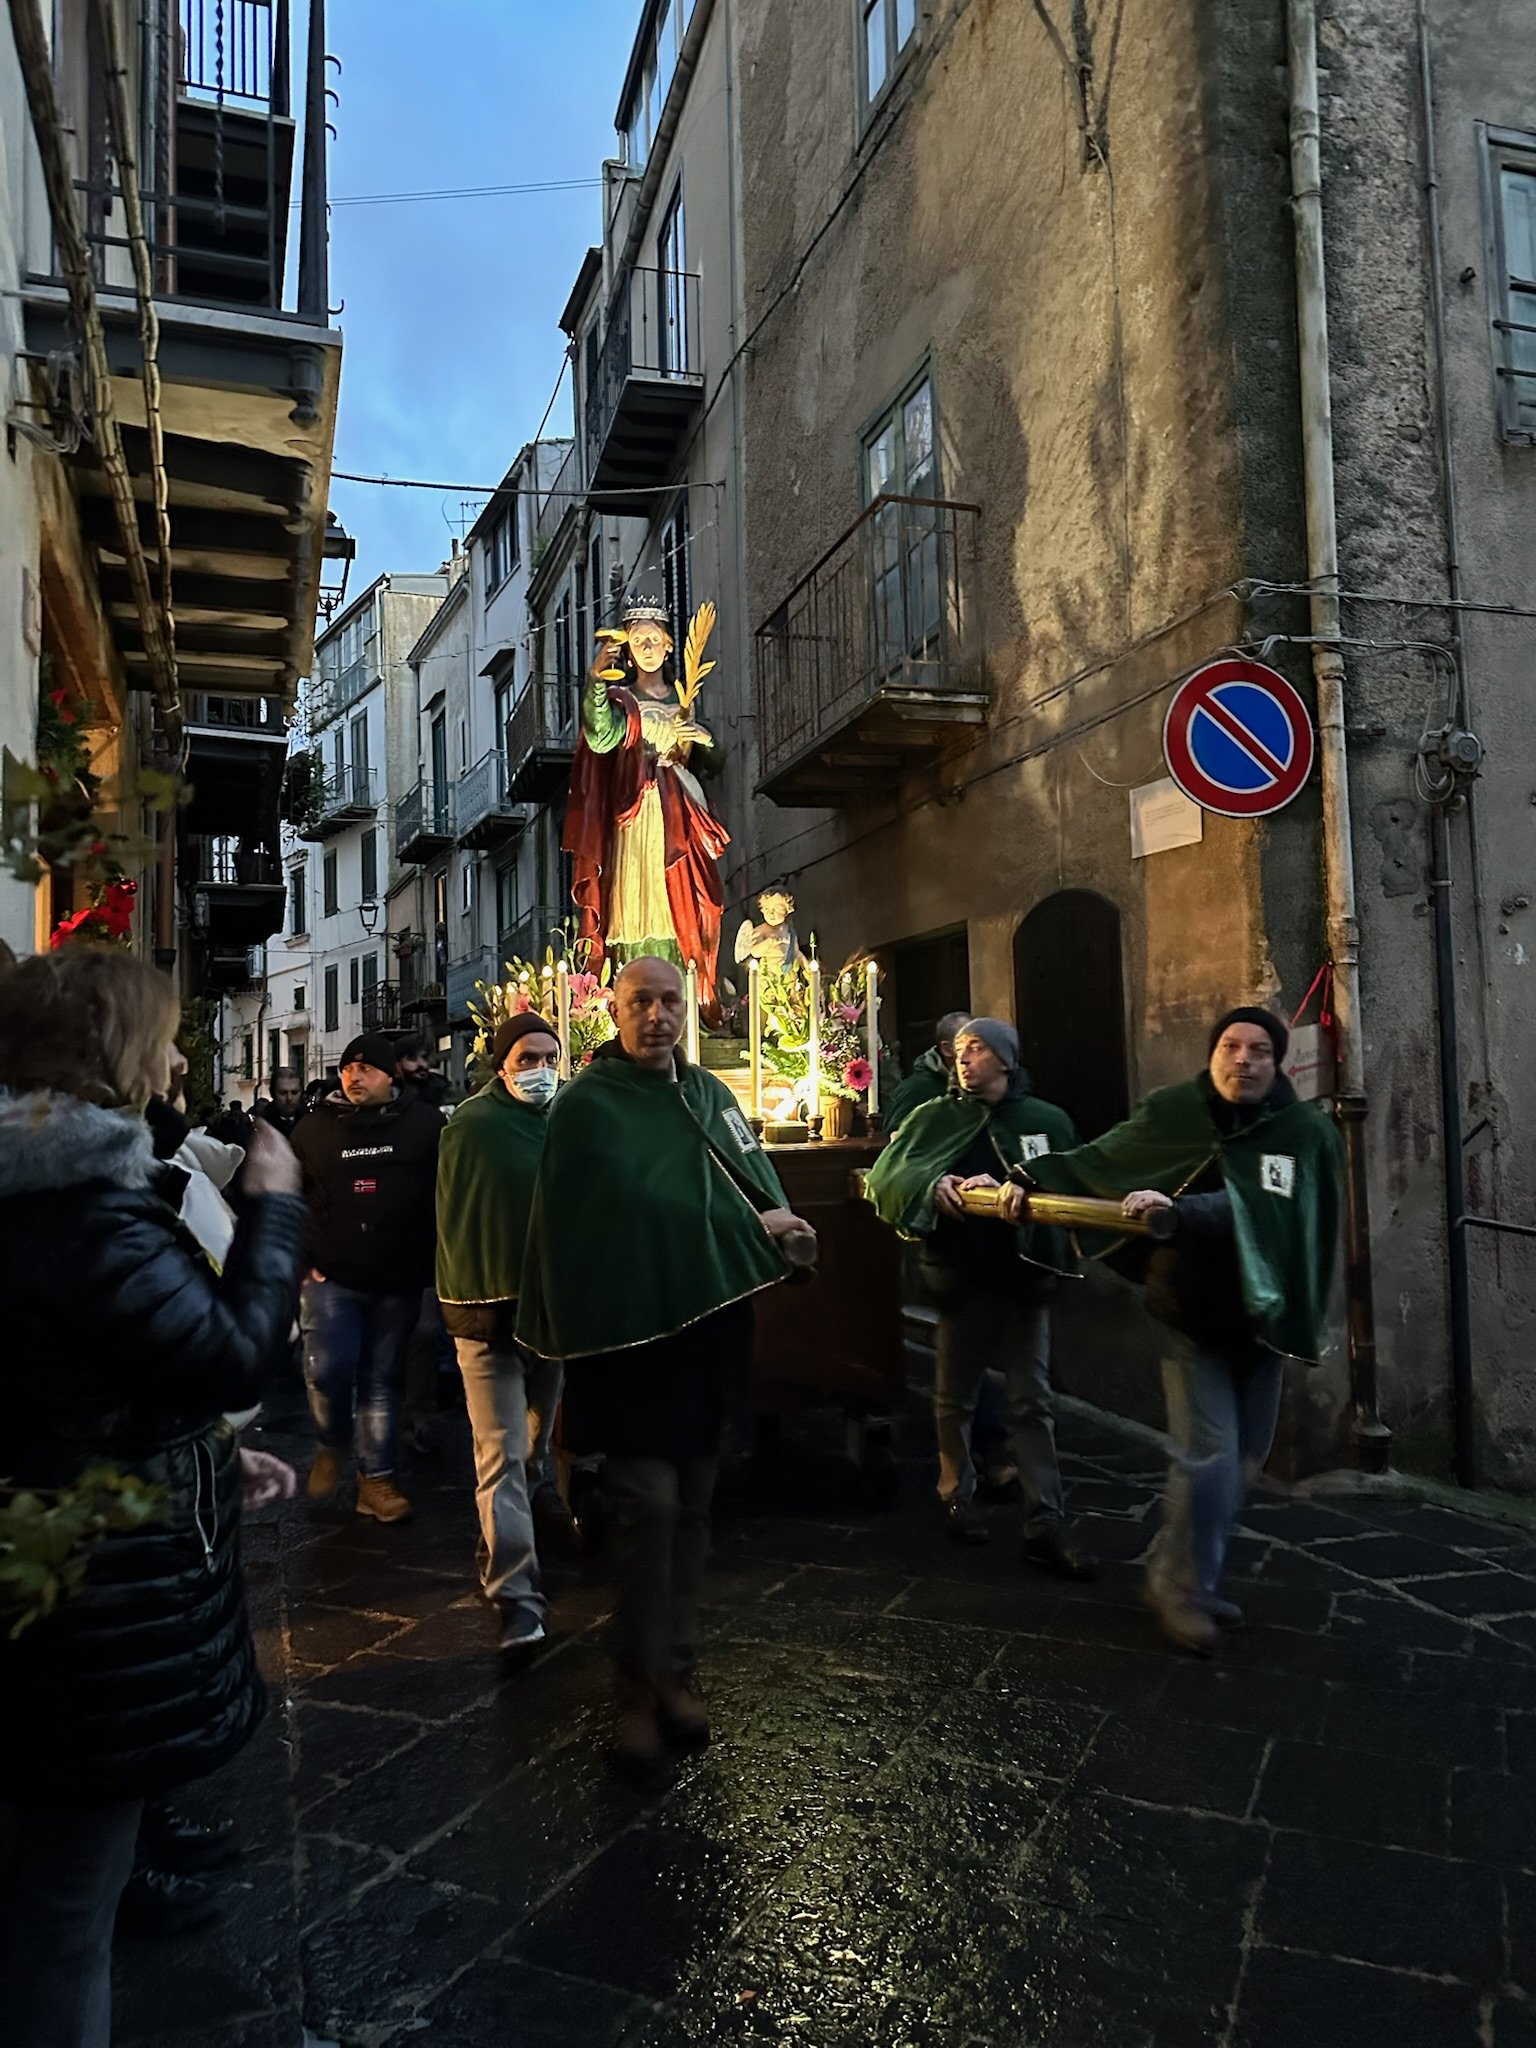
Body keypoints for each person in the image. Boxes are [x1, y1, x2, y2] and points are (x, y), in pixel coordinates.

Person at [0, 947, 304, 2046]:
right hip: (90, 1613)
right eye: (166, 1035)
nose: (179, 1056)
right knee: (67, 1910)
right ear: (113, 1050)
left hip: (67, 1578)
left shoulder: (51, 1188)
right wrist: (274, 1209)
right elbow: (227, 1355)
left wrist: (211, 1461)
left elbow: (92, 1388)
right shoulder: (84, 1205)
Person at [518, 956, 815, 1777]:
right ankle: (635, 1688)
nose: (657, 1014)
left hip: (710, 1332)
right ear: (614, 1011)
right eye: (641, 1001)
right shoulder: (585, 1108)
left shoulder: (712, 1096)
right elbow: (579, 1225)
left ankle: (680, 1666)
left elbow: (750, 1181)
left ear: (687, 1009)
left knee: (695, 1506)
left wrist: (775, 1218)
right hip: (631, 1336)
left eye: (670, 1000)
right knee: (647, 1508)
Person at [1014, 1006, 1343, 1654]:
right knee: (1211, 1458)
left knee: (1245, 1460)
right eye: (1229, 1046)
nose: (1242, 1060)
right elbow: (1104, 1159)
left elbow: (1277, 1209)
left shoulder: (1301, 1131)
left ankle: (1181, 1569)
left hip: (1263, 1322)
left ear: (1276, 1063)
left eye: (1258, 1050)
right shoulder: (1176, 1112)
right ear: (1213, 1053)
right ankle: (1182, 1590)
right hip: (1192, 1315)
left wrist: (1182, 1208)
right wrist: (1025, 1179)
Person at [866, 1018, 1092, 1578]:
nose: (964, 1059)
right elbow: (889, 1175)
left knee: (1031, 1401)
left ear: (1006, 1061)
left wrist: (1030, 1186)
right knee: (955, 1397)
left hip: (1023, 1280)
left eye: (978, 1049)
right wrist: (930, 1184)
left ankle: (1045, 1517)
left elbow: (1075, 1177)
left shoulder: (1046, 1121)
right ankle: (955, 1493)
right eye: (960, 1051)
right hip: (962, 1277)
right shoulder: (933, 1118)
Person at [435, 1011, 568, 1668]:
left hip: (552, 1316)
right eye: (527, 1058)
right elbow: (460, 1221)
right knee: (502, 1453)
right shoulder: (471, 1128)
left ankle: (503, 1541)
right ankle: (516, 1594)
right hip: (487, 1319)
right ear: (501, 1063)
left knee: (533, 1445)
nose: (540, 1070)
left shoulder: (567, 1120)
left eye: (550, 1057)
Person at [291, 1031, 443, 1525]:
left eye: (367, 1069)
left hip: (397, 1276)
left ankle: (375, 1478)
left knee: (381, 1379)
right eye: (348, 1068)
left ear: (389, 1075)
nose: (355, 1076)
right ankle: (332, 1442)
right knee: (328, 1370)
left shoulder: (424, 1127)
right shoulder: (313, 1130)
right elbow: (289, 1197)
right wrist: (298, 1258)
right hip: (331, 1275)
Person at [564, 592, 731, 1006]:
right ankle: (635, 994)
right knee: (637, 898)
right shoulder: (624, 703)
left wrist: (704, 739)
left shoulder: (685, 704)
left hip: (683, 809)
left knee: (689, 897)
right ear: (629, 652)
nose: (648, 648)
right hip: (637, 810)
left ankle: (688, 993)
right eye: (639, 642)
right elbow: (601, 736)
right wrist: (597, 684)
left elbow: (717, 760)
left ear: (670, 644)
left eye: (654, 640)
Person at [887, 1011, 971, 1133]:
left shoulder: (985, 1083)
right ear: (947, 1049)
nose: (977, 1054)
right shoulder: (915, 1090)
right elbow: (897, 1139)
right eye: (968, 1046)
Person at [732, 881, 807, 976]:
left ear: (787, 910)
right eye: (767, 909)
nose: (771, 913)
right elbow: (755, 952)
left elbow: (796, 952)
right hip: (769, 975)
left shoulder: (790, 932)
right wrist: (769, 942)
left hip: (788, 974)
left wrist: (807, 968)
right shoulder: (761, 931)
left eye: (777, 908)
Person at [394, 1031, 452, 1111]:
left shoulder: (442, 1089)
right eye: (412, 1058)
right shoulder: (388, 1090)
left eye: (424, 1057)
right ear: (398, 1063)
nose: (423, 1065)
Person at [253, 1067, 307, 1141]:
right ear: (272, 1093)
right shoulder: (261, 1123)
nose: (289, 1098)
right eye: (283, 1093)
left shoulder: (310, 1120)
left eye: (294, 1092)